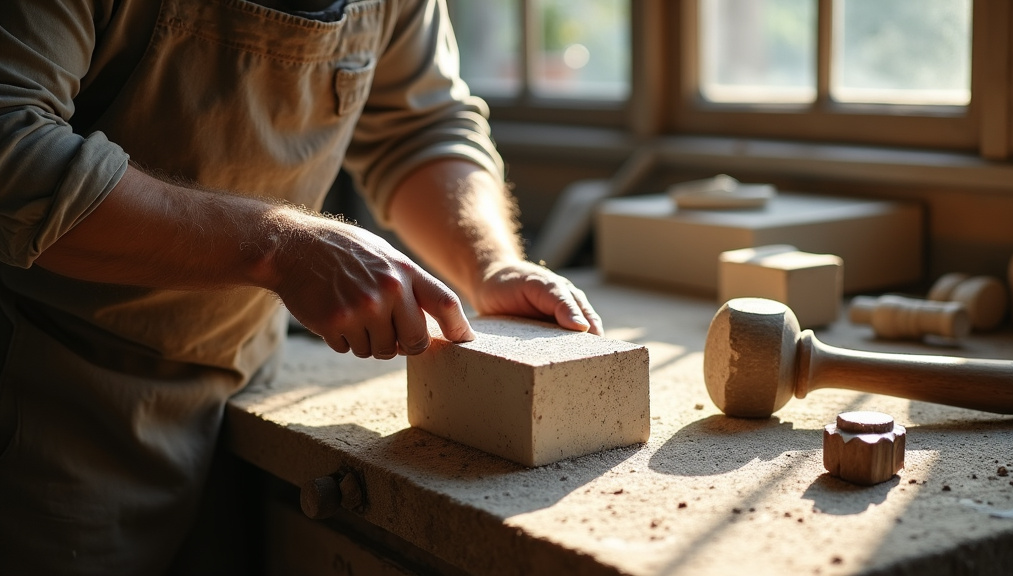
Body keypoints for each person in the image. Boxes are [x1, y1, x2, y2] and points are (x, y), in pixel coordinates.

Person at [0, 0, 603, 572]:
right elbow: (13, 148)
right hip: (46, 400)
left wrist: (489, 263)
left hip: (238, 387)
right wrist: (278, 247)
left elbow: (421, 128)